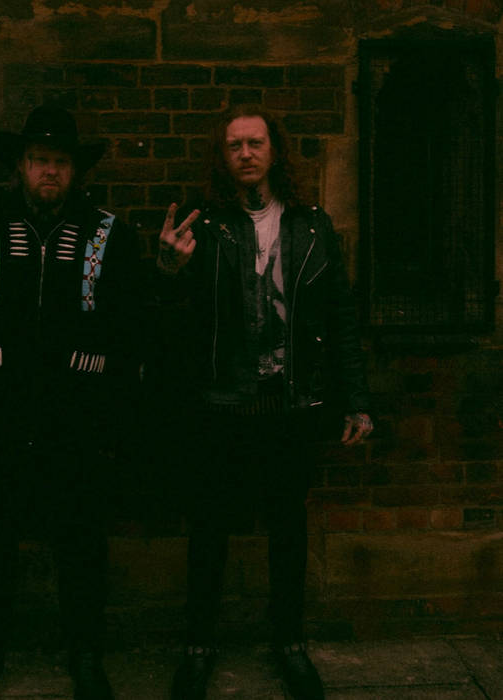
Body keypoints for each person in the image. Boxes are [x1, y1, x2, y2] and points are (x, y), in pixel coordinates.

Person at [155, 104, 373, 700]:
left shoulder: (312, 225)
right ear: (222, 156)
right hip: (220, 404)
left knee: (287, 530)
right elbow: (170, 325)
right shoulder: (202, 223)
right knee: (208, 529)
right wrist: (170, 270)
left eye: (255, 142)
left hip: (291, 407)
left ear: (275, 150)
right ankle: (198, 645)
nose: (246, 153)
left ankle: (290, 643)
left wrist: (356, 400)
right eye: (234, 145)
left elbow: (340, 317)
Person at [0, 105, 140, 700]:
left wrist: (116, 420)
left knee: (82, 539)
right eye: (40, 160)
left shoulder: (109, 234)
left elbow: (129, 333)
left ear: (76, 170)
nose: (50, 171)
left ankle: (86, 655)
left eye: (61, 162)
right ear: (20, 166)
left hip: (78, 419)